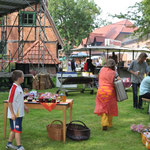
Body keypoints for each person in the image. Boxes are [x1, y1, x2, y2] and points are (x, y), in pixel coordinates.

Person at [94, 59, 121, 131]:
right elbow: (119, 79)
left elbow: (98, 77)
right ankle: (109, 123)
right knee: (110, 107)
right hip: (110, 92)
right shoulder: (114, 72)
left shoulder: (102, 69)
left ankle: (104, 123)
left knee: (103, 107)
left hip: (101, 91)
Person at [6, 70, 29, 150]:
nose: (24, 78)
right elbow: (9, 102)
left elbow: (20, 100)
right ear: (19, 78)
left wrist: (25, 106)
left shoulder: (19, 87)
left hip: (19, 113)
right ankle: (19, 146)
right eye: (23, 76)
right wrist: (12, 114)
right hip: (15, 114)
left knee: (13, 129)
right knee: (17, 130)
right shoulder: (14, 88)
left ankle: (9, 144)